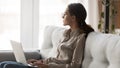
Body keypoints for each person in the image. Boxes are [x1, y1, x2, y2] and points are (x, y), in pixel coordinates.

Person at [0, 3, 94, 68]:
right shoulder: (66, 33)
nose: (62, 16)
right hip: (47, 66)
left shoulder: (80, 38)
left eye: (65, 14)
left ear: (73, 18)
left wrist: (48, 66)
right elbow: (57, 59)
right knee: (3, 64)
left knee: (7, 66)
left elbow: (74, 66)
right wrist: (41, 62)